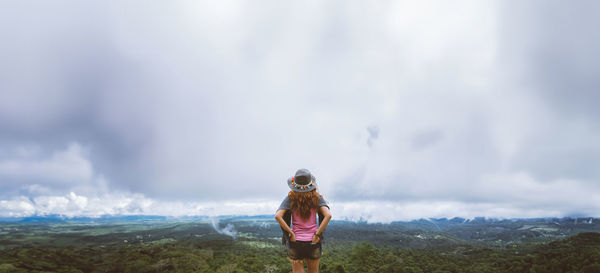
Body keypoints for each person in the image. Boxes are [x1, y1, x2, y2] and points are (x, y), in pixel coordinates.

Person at [275, 169, 332, 273]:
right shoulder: (317, 198)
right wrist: (317, 234)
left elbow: (278, 216)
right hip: (313, 242)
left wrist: (291, 233)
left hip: (295, 241)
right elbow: (328, 215)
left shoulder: (290, 198)